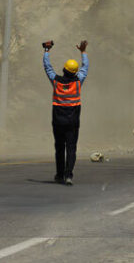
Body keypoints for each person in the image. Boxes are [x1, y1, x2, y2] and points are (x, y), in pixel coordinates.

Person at [43, 40, 89, 185]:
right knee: (71, 149)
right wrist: (83, 52)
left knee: (59, 148)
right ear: (75, 72)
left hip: (58, 122)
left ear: (63, 70)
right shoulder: (78, 82)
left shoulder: (56, 82)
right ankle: (68, 175)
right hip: (72, 122)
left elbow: (48, 68)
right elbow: (85, 67)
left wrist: (46, 51)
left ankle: (59, 175)